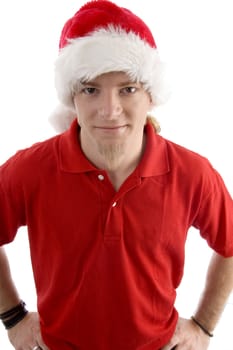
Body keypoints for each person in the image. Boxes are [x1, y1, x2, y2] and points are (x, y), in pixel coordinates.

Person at [0, 1, 232, 349]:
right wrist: (13, 317)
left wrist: (203, 325)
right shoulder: (29, 170)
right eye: (92, 89)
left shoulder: (193, 174)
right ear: (72, 97)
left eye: (128, 88)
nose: (110, 111)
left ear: (151, 95)